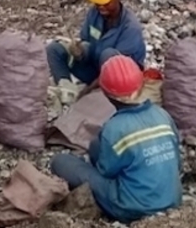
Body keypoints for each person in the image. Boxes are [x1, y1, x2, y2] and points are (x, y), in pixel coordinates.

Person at [49, 55, 181, 224]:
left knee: (60, 162)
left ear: (105, 93)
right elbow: (177, 162)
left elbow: (106, 171)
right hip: (172, 199)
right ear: (141, 85)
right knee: (103, 147)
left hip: (131, 207)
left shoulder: (114, 129)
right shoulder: (162, 114)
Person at [45, 0, 146, 92]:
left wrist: (86, 92)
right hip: (95, 70)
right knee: (54, 49)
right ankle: (66, 90)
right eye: (98, 3)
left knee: (109, 56)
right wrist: (81, 51)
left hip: (122, 82)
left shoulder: (130, 28)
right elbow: (88, 45)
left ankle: (100, 95)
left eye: (106, 3)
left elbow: (119, 70)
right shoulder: (94, 14)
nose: (101, 7)